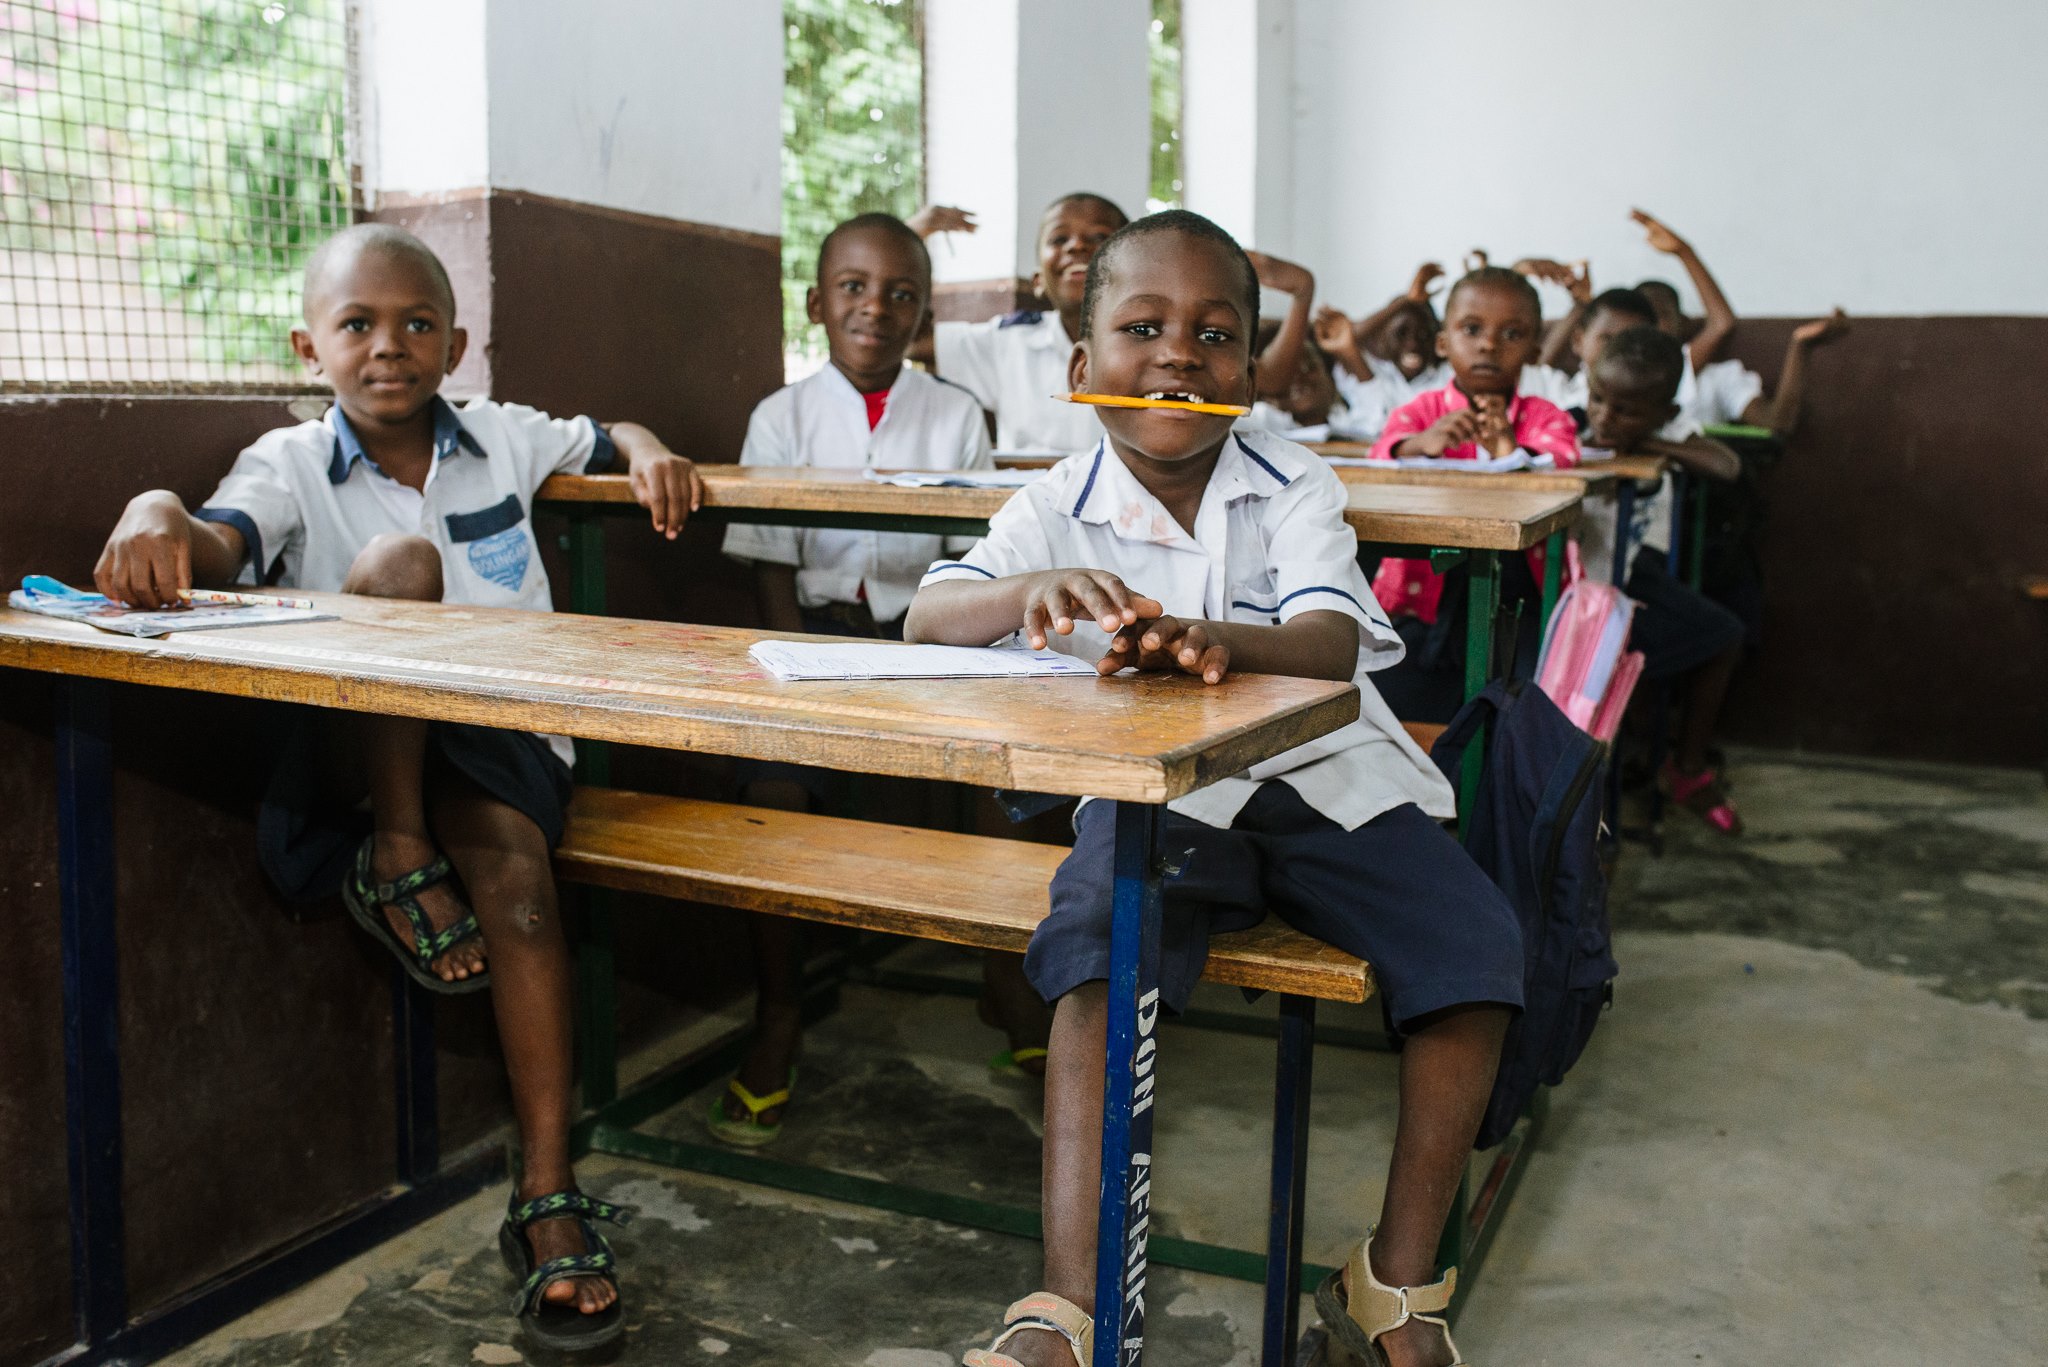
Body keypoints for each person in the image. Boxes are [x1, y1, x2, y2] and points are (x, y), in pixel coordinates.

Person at [912, 210, 1519, 1367]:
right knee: (1097, 951)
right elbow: (929, 610)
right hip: (1158, 798)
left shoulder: (1292, 480)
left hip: (1321, 775)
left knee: (1477, 947)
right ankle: (1067, 1305)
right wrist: (1030, 586)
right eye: (1142, 327)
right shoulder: (1054, 499)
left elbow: (1330, 643)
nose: (1178, 353)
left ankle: (1391, 1281)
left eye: (1213, 332)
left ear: (1247, 369)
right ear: (1081, 368)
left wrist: (1205, 636)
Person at [91, 223, 700, 1351]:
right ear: (306, 345)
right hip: (351, 758)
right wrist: (151, 511)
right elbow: (218, 544)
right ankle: (398, 848)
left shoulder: (505, 438)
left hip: (501, 736)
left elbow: (601, 431)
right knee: (398, 569)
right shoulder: (283, 464)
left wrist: (647, 444)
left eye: (417, 323)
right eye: (357, 324)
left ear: (456, 342)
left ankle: (548, 1194)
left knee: (521, 885)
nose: (389, 347)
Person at [717, 212, 1016, 1138]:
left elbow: (977, 561)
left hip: (932, 645)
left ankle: (1011, 989)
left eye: (898, 294)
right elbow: (769, 559)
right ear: (816, 303)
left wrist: (935, 666)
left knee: (1006, 775)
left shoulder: (956, 412)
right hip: (810, 634)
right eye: (852, 287)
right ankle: (780, 1012)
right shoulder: (784, 413)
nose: (874, 309)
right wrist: (794, 681)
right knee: (772, 790)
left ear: (922, 311)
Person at [1574, 325, 1749, 834]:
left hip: (1624, 582)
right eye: (1598, 399)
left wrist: (1650, 445)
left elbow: (1727, 464)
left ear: (1665, 415)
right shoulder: (1567, 429)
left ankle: (1685, 768)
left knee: (1723, 634)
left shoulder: (1663, 435)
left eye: (1625, 410)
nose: (1605, 417)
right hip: (1574, 591)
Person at [1366, 266, 1581, 626]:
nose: (1489, 345)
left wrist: (1511, 451)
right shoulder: (1421, 411)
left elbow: (1563, 456)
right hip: (1424, 589)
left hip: (1521, 586)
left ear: (1534, 351)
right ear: (1442, 343)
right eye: (1471, 329)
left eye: (1512, 334)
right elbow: (1380, 454)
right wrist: (1419, 444)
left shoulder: (1546, 416)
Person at [928, 192, 1132, 453]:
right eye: (1059, 239)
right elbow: (910, 342)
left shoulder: (1156, 348)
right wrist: (915, 233)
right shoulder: (1007, 343)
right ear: (1038, 281)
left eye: (1099, 237)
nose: (1077, 246)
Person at [1631, 209, 1850, 436]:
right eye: (1641, 319)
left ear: (1684, 324)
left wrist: (1800, 347)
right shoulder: (1613, 381)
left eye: (1660, 316)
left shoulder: (1721, 378)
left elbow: (1777, 422)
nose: (1648, 328)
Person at [1312, 262, 1449, 439]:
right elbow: (1346, 339)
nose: (1413, 344)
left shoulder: (1445, 376)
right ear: (1383, 339)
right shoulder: (1367, 367)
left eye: (1424, 335)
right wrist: (1406, 300)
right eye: (1401, 334)